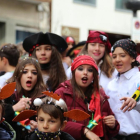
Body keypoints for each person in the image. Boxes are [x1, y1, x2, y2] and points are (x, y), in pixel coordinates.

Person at [55, 55, 120, 140]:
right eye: (80, 69)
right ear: (73, 73)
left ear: (94, 76)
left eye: (90, 70)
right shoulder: (61, 93)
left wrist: (113, 125)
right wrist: (84, 131)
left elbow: (109, 132)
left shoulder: (101, 96)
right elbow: (56, 124)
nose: (85, 73)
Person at [4, 57, 46, 140]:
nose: (29, 76)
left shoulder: (43, 99)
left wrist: (39, 127)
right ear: (18, 75)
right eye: (25, 72)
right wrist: (14, 108)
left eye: (34, 73)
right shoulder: (7, 96)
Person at [106, 38, 140, 140]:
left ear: (133, 58)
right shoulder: (111, 84)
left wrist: (136, 104)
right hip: (114, 136)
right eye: (114, 56)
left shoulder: (138, 79)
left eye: (123, 55)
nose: (117, 60)